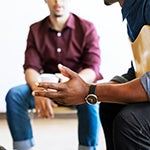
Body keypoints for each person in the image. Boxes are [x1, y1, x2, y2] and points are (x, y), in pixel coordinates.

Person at [33, 0, 150, 150]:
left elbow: (93, 67)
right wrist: (86, 89)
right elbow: (139, 69)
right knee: (110, 105)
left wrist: (89, 91)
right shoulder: (133, 11)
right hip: (45, 82)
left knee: (131, 122)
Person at [5, 0, 103, 150]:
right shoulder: (36, 29)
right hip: (46, 89)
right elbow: (31, 67)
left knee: (91, 98)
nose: (58, 2)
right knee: (14, 95)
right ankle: (22, 147)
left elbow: (92, 68)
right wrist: (38, 90)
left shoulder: (87, 28)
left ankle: (88, 148)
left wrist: (73, 81)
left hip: (76, 89)